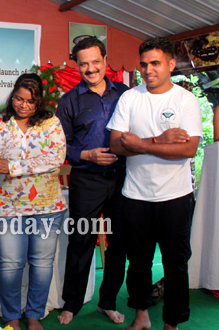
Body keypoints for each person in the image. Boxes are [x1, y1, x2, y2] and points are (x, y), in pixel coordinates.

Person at [108, 37, 202, 330]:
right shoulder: (130, 98)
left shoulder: (185, 100)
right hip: (136, 196)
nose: (148, 70)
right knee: (138, 263)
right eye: (144, 64)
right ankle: (141, 317)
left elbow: (187, 150)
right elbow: (116, 145)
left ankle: (171, 323)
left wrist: (140, 144)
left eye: (156, 63)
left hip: (176, 197)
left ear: (171, 65)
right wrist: (158, 141)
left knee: (176, 265)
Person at [0, 73, 67, 330]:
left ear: (39, 102)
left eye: (30, 101)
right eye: (18, 98)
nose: (23, 105)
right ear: (12, 95)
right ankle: (11, 315)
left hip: (47, 206)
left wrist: (12, 166)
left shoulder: (51, 123)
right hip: (6, 205)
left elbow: (55, 159)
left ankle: (34, 314)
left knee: (42, 262)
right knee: (11, 263)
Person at [55, 37, 129, 325]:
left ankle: (107, 302)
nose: (91, 68)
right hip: (86, 181)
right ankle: (71, 304)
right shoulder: (69, 101)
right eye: (84, 63)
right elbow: (61, 147)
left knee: (118, 243)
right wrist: (87, 154)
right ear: (77, 65)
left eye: (95, 61)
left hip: (123, 180)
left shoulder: (125, 94)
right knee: (80, 242)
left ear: (105, 60)